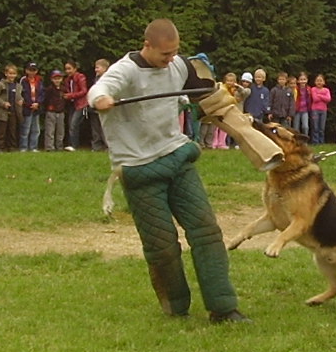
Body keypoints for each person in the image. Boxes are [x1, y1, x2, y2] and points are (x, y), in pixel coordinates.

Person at [90, 19, 250, 323]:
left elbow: (204, 91)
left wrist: (228, 96)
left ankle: (223, 308)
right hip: (140, 168)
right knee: (161, 246)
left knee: (207, 231)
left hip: (177, 157)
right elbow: (100, 89)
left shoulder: (177, 65)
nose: (171, 59)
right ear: (147, 45)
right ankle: (176, 308)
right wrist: (102, 100)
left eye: (175, 52)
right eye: (165, 54)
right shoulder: (125, 71)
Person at [60, 61, 88, 152]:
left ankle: (74, 145)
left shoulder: (80, 77)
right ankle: (72, 144)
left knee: (74, 124)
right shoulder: (67, 80)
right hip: (72, 104)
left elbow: (84, 91)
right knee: (70, 124)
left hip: (80, 104)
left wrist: (71, 95)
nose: (67, 71)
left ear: (75, 69)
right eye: (66, 69)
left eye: (69, 69)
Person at [19, 64, 44, 152]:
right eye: (30, 70)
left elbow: (42, 94)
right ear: (26, 70)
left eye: (34, 70)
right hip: (27, 108)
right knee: (25, 129)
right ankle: (23, 147)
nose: (32, 72)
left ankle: (33, 147)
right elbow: (21, 94)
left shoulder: (39, 80)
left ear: (36, 71)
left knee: (36, 130)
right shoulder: (23, 80)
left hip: (36, 108)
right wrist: (29, 104)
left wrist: (38, 103)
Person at [41, 66, 66, 151]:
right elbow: (46, 100)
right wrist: (48, 107)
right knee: (50, 131)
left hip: (61, 112)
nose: (57, 80)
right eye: (55, 79)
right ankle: (49, 147)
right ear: (52, 79)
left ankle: (59, 147)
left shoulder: (63, 89)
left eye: (59, 78)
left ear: (61, 79)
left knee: (60, 131)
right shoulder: (49, 89)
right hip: (51, 112)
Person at [89, 58, 111, 151]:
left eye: (98, 67)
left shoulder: (108, 79)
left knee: (104, 127)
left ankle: (108, 145)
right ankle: (96, 146)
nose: (96, 70)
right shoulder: (96, 79)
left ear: (105, 68)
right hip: (95, 107)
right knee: (95, 128)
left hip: (104, 106)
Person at [308, 72, 332, 145]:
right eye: (317, 81)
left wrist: (319, 95)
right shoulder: (313, 89)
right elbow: (315, 99)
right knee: (315, 127)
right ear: (315, 82)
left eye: (321, 81)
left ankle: (321, 142)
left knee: (322, 127)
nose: (319, 82)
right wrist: (323, 97)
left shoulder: (326, 90)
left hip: (323, 110)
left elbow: (328, 99)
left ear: (324, 82)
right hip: (315, 110)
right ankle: (315, 142)